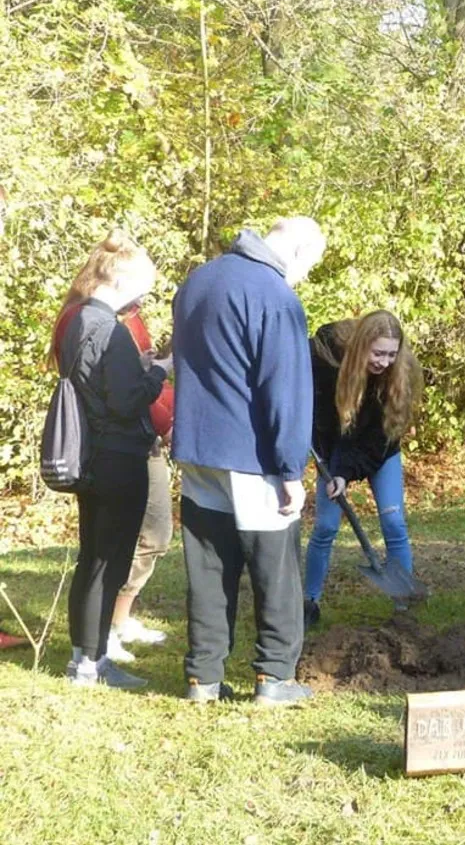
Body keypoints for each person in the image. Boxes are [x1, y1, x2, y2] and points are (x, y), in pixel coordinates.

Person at [172, 217, 325, 705]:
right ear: (298, 253)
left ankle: (203, 677)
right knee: (276, 569)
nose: (302, 277)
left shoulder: (198, 280)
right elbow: (285, 391)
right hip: (252, 454)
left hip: (197, 447)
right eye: (309, 267)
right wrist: (290, 470)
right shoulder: (276, 297)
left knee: (209, 568)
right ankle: (275, 677)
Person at [51, 231, 170, 688]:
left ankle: (83, 655)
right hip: (118, 454)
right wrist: (159, 371)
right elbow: (125, 401)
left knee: (93, 558)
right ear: (124, 282)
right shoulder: (111, 330)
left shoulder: (78, 319)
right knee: (110, 559)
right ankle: (92, 662)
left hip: (91, 453)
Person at [303, 310, 423, 628]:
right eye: (378, 353)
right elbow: (321, 424)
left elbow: (379, 439)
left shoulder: (401, 375)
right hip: (332, 449)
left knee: (394, 523)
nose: (384, 361)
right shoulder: (326, 363)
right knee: (326, 526)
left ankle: (403, 606)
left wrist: (348, 472)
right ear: (360, 347)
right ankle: (309, 601)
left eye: (391, 354)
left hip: (379, 451)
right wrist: (335, 470)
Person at [104, 302, 175, 664]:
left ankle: (120, 619)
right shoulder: (104, 321)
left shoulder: (133, 317)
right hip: (126, 444)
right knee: (124, 540)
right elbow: (125, 393)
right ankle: (104, 630)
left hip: (150, 442)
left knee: (157, 537)